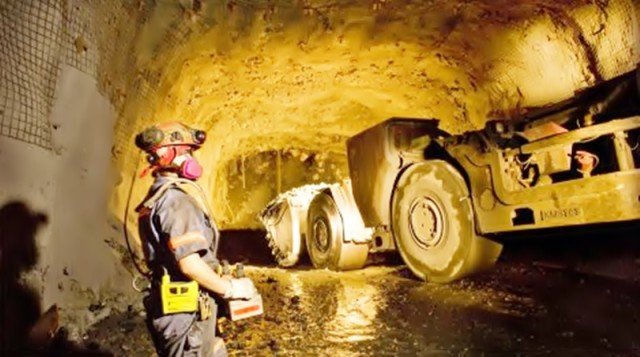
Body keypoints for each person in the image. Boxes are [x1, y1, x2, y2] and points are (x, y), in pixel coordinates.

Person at [134, 122, 257, 356]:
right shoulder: (176, 202)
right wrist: (230, 288)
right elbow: (189, 264)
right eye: (187, 151)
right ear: (166, 154)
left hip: (175, 311)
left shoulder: (156, 198)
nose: (191, 158)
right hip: (186, 315)